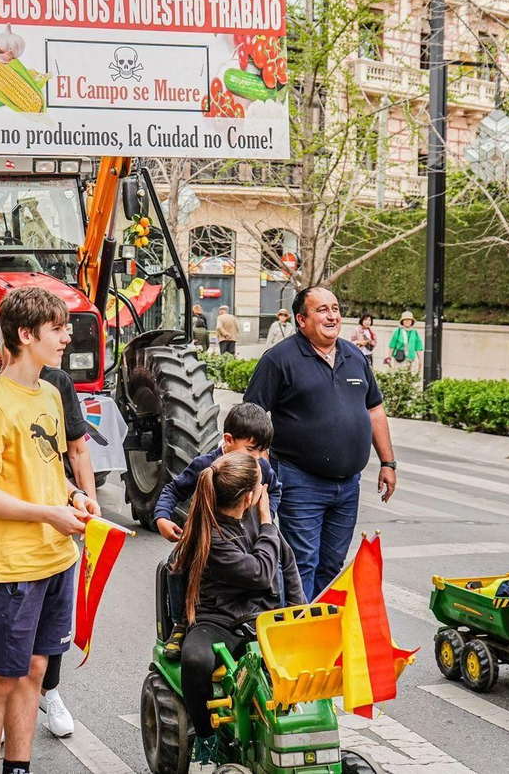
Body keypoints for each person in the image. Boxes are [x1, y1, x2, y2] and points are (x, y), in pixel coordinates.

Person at [0, 321, 98, 741]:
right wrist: (38, 505)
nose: (68, 338)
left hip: (55, 545)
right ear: (17, 338)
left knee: (38, 661)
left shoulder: (54, 387)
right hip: (14, 548)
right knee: (6, 668)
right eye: (58, 329)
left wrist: (80, 497)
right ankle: (7, 720)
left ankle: (48, 697)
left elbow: (63, 454)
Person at [243, 285, 396, 599]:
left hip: (348, 484)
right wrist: (262, 467)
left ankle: (320, 630)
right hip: (300, 481)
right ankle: (296, 634)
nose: (332, 316)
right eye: (322, 310)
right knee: (302, 563)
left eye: (335, 308)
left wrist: (388, 463)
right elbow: (251, 415)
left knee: (332, 564)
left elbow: (375, 409)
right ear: (301, 320)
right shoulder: (279, 359)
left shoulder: (354, 356)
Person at [170, 452, 303, 770]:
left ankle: (290, 737)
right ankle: (205, 737)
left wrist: (298, 612)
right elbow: (259, 572)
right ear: (249, 496)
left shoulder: (259, 521)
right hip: (218, 621)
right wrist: (268, 523)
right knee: (195, 659)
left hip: (262, 618)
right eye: (262, 484)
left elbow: (286, 562)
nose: (266, 488)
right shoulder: (214, 533)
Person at [153, 402, 283, 659]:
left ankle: (275, 616)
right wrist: (162, 517)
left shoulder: (261, 467)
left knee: (273, 565)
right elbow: (173, 490)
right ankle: (183, 622)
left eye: (262, 451)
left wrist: (263, 515)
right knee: (176, 566)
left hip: (244, 534)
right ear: (228, 440)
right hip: (204, 536)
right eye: (251, 449)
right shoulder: (206, 465)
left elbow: (275, 490)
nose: (256, 457)